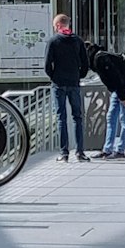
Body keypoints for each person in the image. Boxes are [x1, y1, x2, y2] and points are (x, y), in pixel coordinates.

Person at [44, 13, 90, 162]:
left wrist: (54, 77)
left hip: (58, 84)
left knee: (61, 118)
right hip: (74, 83)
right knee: (78, 117)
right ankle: (80, 152)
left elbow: (47, 65)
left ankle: (64, 153)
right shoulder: (77, 41)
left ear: (58, 26)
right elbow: (85, 63)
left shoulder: (53, 41)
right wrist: (79, 76)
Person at [87, 42, 125, 160]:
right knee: (111, 116)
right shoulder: (100, 57)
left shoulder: (100, 60)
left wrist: (123, 97)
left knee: (124, 118)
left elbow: (115, 77)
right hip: (121, 87)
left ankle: (120, 150)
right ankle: (108, 149)